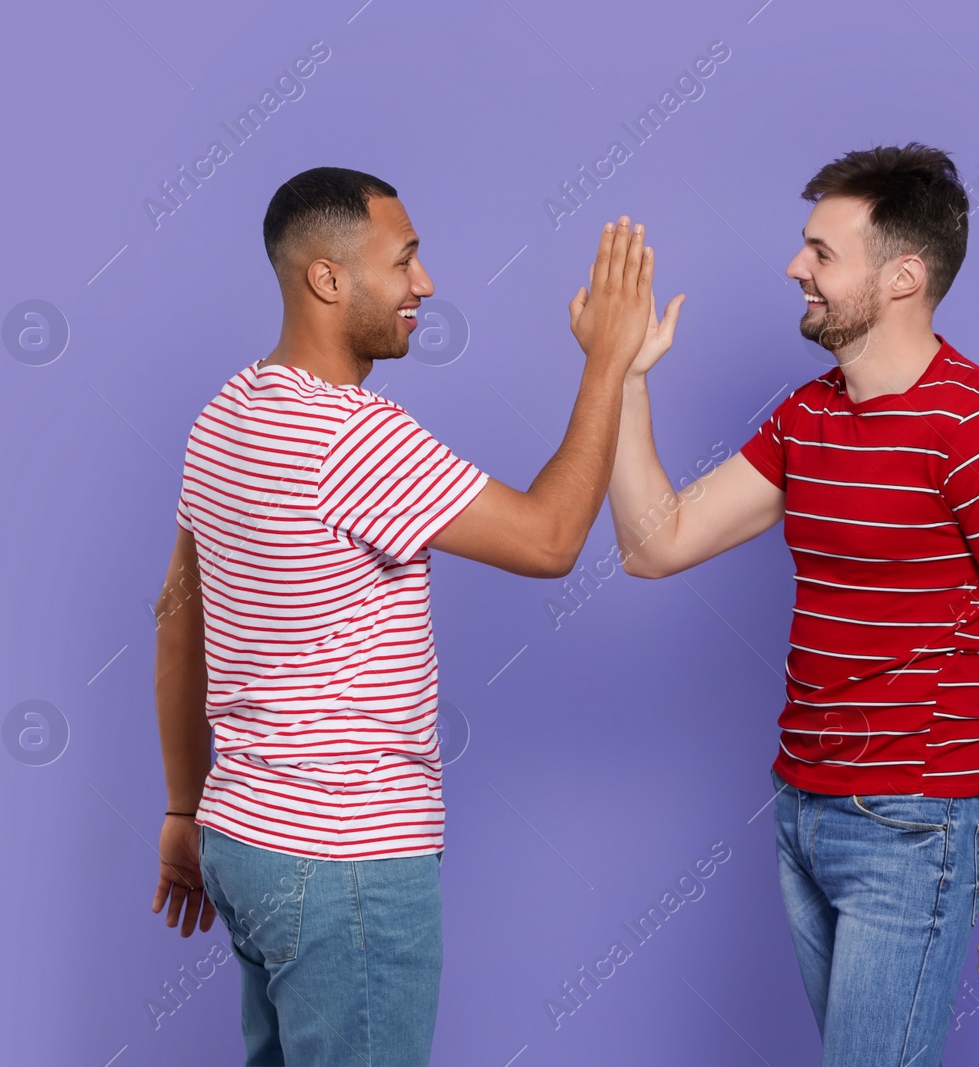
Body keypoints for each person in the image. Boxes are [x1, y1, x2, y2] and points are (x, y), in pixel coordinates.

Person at [605, 143, 979, 1065]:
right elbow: (654, 542)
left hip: (913, 824)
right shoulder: (808, 415)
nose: (796, 267)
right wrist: (625, 380)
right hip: (802, 809)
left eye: (822, 252)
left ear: (903, 277)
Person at [148, 165, 656, 1066]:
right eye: (405, 259)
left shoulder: (223, 416)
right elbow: (549, 541)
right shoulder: (356, 435)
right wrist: (609, 361)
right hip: (346, 860)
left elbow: (176, 622)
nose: (425, 284)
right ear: (328, 278)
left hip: (246, 839)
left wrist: (185, 808)